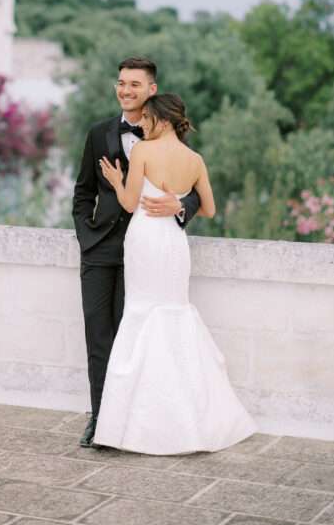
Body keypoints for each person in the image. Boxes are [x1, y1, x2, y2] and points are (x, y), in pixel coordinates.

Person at [92, 92, 258, 454]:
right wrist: (179, 203)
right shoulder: (195, 159)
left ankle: (138, 424)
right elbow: (211, 209)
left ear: (162, 120)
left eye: (147, 119)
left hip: (144, 240)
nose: (143, 124)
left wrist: (117, 180)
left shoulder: (143, 152)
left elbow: (128, 202)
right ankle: (191, 417)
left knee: (141, 314)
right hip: (173, 242)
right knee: (173, 312)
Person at [72, 57, 201, 448]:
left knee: (138, 340)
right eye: (121, 83)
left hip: (146, 254)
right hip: (100, 252)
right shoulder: (98, 133)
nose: (126, 90)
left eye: (134, 84)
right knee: (99, 337)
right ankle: (100, 420)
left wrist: (180, 209)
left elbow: (194, 189)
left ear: (152, 90)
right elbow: (83, 192)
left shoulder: (171, 137)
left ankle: (136, 423)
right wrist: (86, 237)